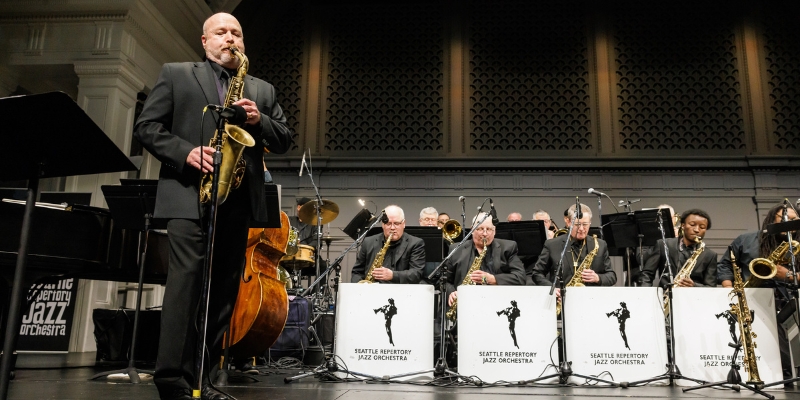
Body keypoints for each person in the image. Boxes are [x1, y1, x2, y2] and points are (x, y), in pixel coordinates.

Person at [133, 12, 292, 400]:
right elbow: (147, 127)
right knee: (184, 290)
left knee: (222, 296)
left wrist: (260, 121)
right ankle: (172, 381)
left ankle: (204, 380)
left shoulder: (262, 90)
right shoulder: (176, 74)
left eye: (237, 33)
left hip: (237, 202)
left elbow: (284, 138)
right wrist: (186, 153)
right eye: (221, 32)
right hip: (189, 196)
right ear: (205, 41)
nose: (230, 38)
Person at [717, 202, 798, 383]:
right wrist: (728, 287)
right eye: (784, 219)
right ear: (772, 219)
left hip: (787, 299)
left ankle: (785, 376)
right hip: (751, 297)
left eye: (794, 220)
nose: (789, 223)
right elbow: (725, 265)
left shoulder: (796, 243)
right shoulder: (746, 240)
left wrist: (790, 275)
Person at [531, 203, 617, 296]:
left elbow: (612, 276)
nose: (581, 228)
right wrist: (552, 289)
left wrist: (598, 278)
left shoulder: (600, 244)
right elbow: (537, 273)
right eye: (577, 224)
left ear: (590, 222)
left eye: (585, 224)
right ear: (568, 222)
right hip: (562, 299)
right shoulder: (552, 245)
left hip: (592, 299)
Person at [445, 212, 526, 307]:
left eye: (489, 229)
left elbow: (520, 277)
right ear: (472, 230)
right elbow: (445, 280)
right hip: (465, 304)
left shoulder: (508, 247)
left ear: (494, 231)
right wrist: (451, 292)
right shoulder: (456, 249)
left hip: (498, 303)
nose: (484, 233)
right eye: (480, 229)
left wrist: (492, 279)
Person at [641, 209, 717, 287]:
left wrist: (694, 286)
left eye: (702, 227)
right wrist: (646, 293)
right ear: (683, 225)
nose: (697, 230)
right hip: (665, 293)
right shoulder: (663, 244)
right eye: (692, 224)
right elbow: (647, 274)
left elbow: (711, 287)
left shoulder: (710, 255)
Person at [351, 205, 426, 283]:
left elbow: (416, 274)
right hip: (372, 289)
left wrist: (393, 275)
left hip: (400, 289)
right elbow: (357, 272)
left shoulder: (415, 243)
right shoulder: (368, 242)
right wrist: (361, 286)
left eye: (396, 223)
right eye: (388, 223)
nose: (392, 228)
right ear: (383, 225)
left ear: (403, 224)